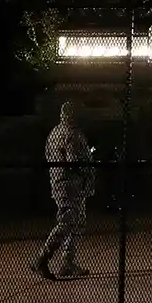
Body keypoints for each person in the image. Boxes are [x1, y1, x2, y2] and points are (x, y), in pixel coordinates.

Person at [30, 101, 96, 280]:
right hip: (71, 184)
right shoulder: (71, 134)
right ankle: (43, 257)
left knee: (75, 222)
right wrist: (87, 174)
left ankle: (68, 262)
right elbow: (75, 162)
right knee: (68, 221)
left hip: (60, 182)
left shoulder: (54, 132)